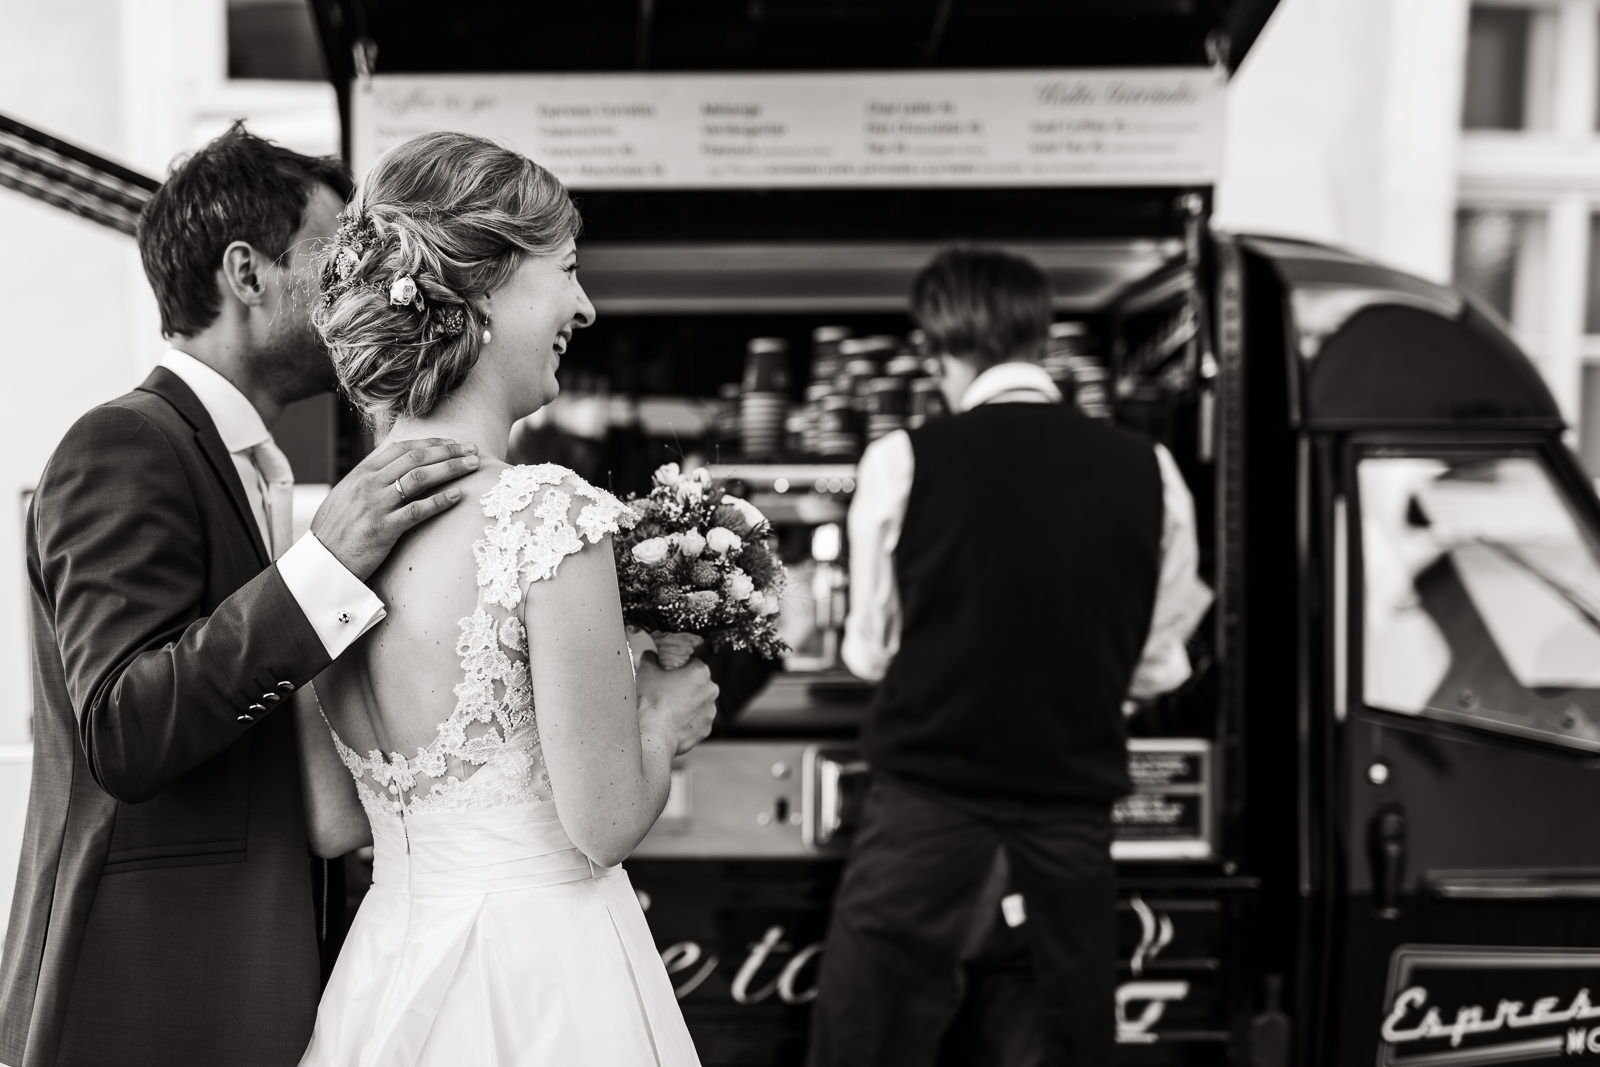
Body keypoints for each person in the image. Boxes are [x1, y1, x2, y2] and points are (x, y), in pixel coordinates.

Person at [294, 131, 716, 1066]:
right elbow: (602, 821)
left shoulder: (325, 539)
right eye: (566, 270)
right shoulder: (542, 515)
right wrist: (664, 717)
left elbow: (331, 823)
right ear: (482, 289)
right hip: (542, 981)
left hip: (387, 968)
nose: (585, 305)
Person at [808, 246, 1212, 1066]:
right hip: (1066, 827)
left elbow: (872, 650)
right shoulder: (1152, 470)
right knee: (1050, 1045)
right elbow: (1158, 663)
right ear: (1043, 338)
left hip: (925, 817)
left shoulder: (903, 461)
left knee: (870, 1043)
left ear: (934, 348)